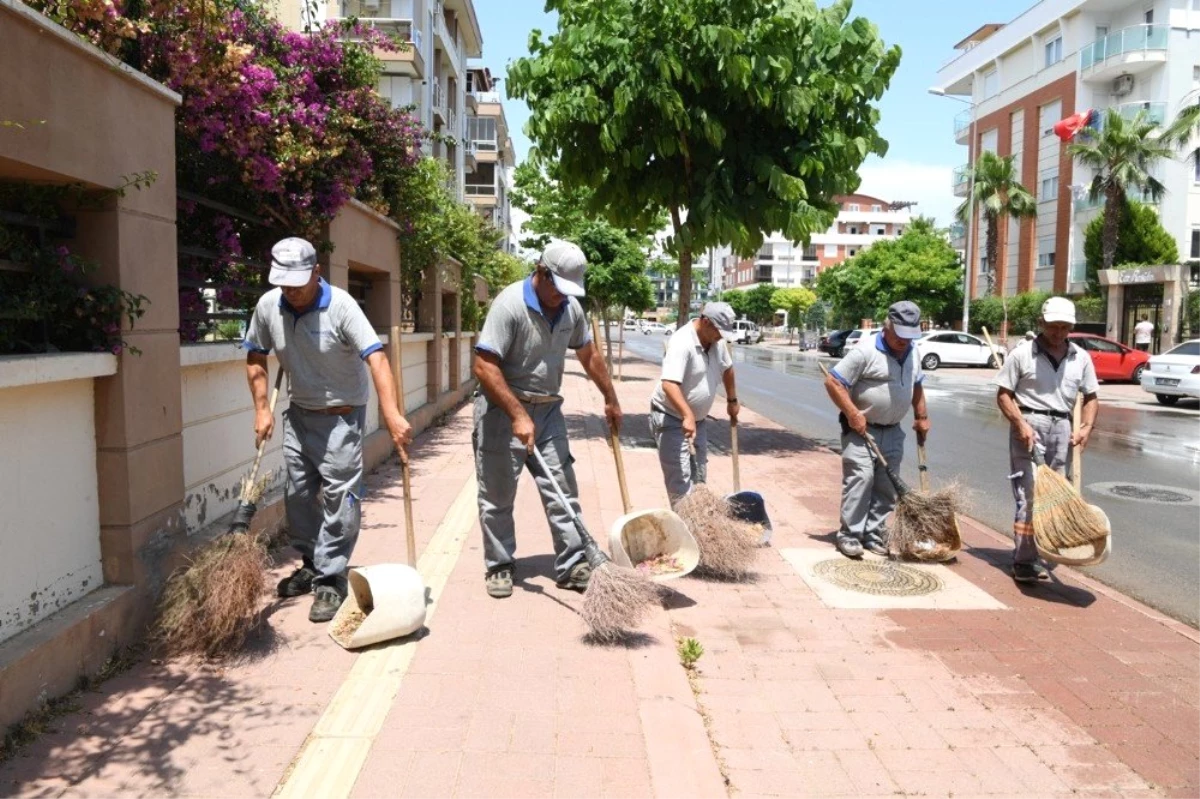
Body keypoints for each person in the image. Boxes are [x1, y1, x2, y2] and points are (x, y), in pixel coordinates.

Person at [244, 237, 413, 623]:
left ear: (317, 273)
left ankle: (332, 576)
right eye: (283, 283)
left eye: (298, 283)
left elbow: (377, 358)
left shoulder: (341, 306)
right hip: (300, 414)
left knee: (341, 496)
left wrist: (391, 412)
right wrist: (260, 409)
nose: (291, 291)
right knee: (298, 495)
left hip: (341, 417)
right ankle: (312, 562)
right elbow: (255, 354)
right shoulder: (269, 306)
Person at [471, 241, 621, 599]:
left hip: (550, 410)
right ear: (541, 273)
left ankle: (572, 564)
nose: (562, 297)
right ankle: (500, 564)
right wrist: (517, 414)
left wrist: (611, 396)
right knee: (497, 493)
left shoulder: (570, 309)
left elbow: (588, 353)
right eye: (558, 288)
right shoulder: (509, 305)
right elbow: (483, 365)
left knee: (562, 488)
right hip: (502, 410)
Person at [994, 296, 1099, 584]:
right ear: (1041, 323)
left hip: (1063, 427)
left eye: (1065, 327)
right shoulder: (1022, 354)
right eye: (1054, 326)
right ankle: (1024, 561)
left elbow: (1090, 397)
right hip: (1030, 424)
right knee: (1030, 495)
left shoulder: (1080, 357)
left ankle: (1043, 550)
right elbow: (1003, 394)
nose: (1059, 333)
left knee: (1054, 496)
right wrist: (1019, 422)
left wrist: (1086, 427)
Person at [823, 302, 931, 558]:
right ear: (888, 327)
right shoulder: (865, 351)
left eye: (909, 336)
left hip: (894, 430)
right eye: (900, 335)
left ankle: (873, 533)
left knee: (886, 485)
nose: (905, 341)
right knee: (861, 478)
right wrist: (852, 413)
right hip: (861, 430)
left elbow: (916, 386)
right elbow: (833, 381)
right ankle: (849, 535)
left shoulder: (912, 352)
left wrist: (922, 416)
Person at [649, 302, 739, 504]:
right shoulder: (682, 342)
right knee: (681, 485)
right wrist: (687, 415)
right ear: (705, 321)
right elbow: (669, 384)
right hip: (671, 418)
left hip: (698, 421)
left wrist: (732, 400)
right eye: (718, 331)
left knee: (699, 478)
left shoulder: (717, 342)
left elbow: (728, 369)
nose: (721, 337)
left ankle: (696, 530)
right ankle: (685, 529)